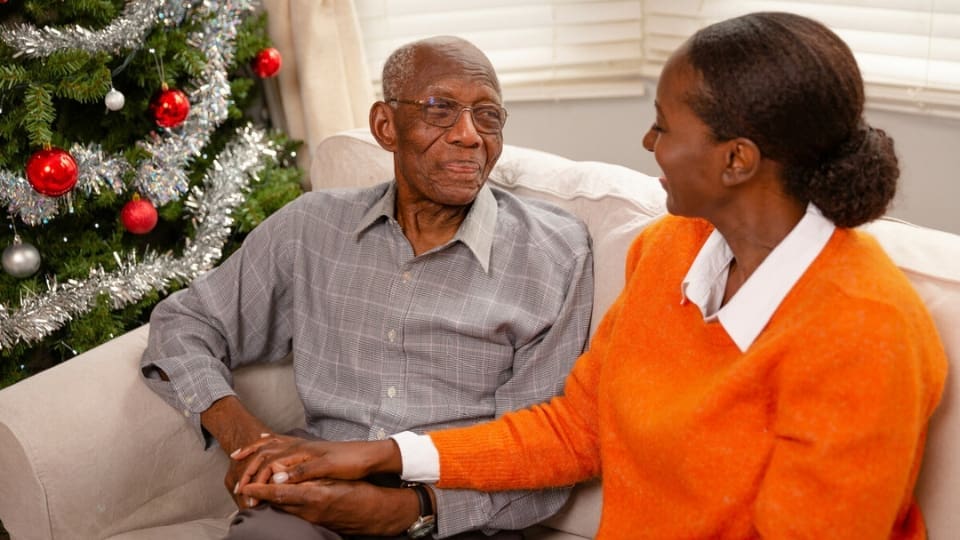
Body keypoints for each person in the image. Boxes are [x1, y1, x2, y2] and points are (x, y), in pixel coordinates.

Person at [231, 12, 949, 540]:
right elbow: (575, 430)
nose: (648, 144)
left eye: (665, 126)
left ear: (737, 161)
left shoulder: (864, 331)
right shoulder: (671, 250)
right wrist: (383, 453)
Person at [140, 35, 594, 539]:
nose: (469, 135)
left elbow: (541, 451)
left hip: (453, 518)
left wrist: (405, 509)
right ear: (386, 125)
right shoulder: (311, 229)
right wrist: (250, 443)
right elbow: (184, 322)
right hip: (311, 495)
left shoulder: (554, 253)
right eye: (441, 109)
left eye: (487, 115)